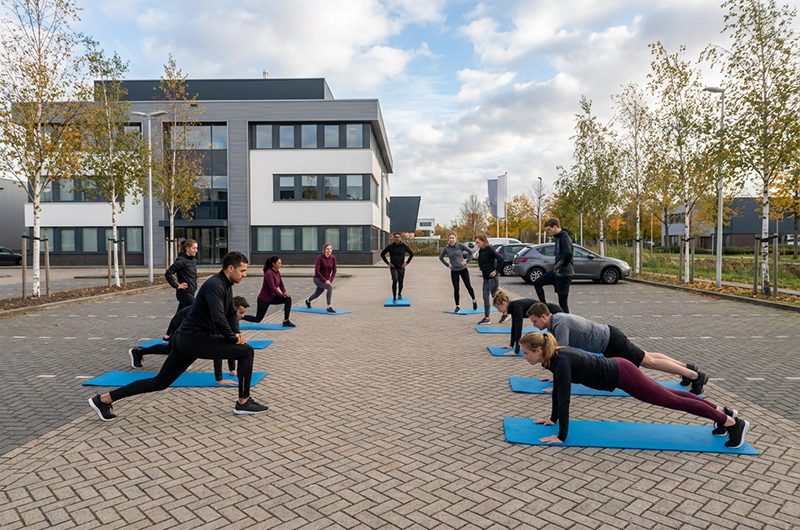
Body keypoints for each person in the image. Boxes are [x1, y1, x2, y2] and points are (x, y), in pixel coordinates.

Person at [88, 251, 269, 421]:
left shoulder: (226, 285)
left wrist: (237, 332)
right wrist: (233, 338)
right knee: (246, 352)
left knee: (160, 382)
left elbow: (230, 313)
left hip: (188, 340)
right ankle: (243, 402)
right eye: (242, 270)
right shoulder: (215, 285)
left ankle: (104, 400)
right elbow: (218, 316)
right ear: (231, 268)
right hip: (196, 340)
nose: (245, 274)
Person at [517, 331, 749, 448]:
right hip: (620, 369)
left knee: (670, 400)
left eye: (526, 352)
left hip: (622, 374)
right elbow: (558, 389)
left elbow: (564, 397)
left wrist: (561, 436)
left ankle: (732, 423)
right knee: (669, 395)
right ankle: (724, 412)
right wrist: (552, 418)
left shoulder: (561, 362)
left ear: (538, 350)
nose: (524, 356)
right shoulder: (554, 357)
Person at [527, 303, 709, 394]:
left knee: (649, 362)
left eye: (535, 321)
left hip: (611, 341)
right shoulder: (554, 323)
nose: (534, 325)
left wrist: (559, 382)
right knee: (648, 356)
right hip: (609, 339)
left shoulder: (560, 324)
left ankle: (696, 376)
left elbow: (561, 352)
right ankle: (688, 369)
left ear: (544, 316)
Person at [127, 297, 252, 387]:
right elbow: (218, 351)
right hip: (181, 323)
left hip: (188, 325)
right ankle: (139, 351)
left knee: (170, 350)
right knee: (170, 349)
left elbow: (230, 343)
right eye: (241, 313)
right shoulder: (219, 316)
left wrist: (232, 370)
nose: (242, 316)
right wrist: (219, 379)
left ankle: (139, 352)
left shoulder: (228, 316)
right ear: (233, 309)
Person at [492, 290, 562, 354]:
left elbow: (518, 328)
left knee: (556, 333)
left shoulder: (516, 306)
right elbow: (514, 327)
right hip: (552, 310)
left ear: (504, 303)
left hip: (554, 310)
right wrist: (511, 345)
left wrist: (516, 351)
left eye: (498, 308)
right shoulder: (513, 307)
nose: (499, 310)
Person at [533, 218, 573, 313]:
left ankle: (568, 323)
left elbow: (568, 253)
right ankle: (544, 307)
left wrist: (561, 266)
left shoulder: (564, 237)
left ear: (555, 227)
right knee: (537, 283)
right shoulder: (558, 237)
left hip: (565, 274)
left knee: (563, 303)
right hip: (557, 273)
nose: (548, 232)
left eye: (549, 230)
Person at [243, 256, 296, 327]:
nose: (281, 264)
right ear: (274, 264)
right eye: (279, 263)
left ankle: (286, 321)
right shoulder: (269, 273)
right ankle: (240, 317)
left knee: (288, 299)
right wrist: (281, 295)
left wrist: (284, 292)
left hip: (272, 297)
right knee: (258, 319)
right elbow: (272, 288)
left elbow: (281, 284)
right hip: (264, 299)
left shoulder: (277, 272)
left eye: (281, 263)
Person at [438, 232, 476, 312]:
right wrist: (448, 265)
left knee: (468, 286)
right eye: (450, 238)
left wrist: (467, 261)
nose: (451, 239)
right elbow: (441, 257)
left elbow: (471, 252)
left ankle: (474, 300)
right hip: (454, 271)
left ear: (456, 238)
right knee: (456, 288)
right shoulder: (446, 248)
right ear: (448, 239)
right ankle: (457, 306)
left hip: (463, 270)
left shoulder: (460, 246)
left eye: (453, 238)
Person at [474, 234, 504, 324]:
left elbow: (501, 259)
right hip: (486, 278)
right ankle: (487, 318)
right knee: (485, 297)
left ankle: (506, 313)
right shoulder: (481, 250)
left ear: (483, 241)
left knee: (496, 297)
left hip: (492, 278)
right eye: (476, 243)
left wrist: (496, 271)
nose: (477, 244)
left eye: (478, 242)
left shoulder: (489, 249)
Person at [165, 239, 199, 310]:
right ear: (187, 249)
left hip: (190, 292)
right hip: (184, 293)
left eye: (196, 248)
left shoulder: (192, 260)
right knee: (196, 311)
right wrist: (177, 285)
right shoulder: (181, 261)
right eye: (194, 248)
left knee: (181, 316)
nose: (196, 250)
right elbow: (168, 273)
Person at [380, 232, 414, 302]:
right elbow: (382, 254)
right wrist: (388, 263)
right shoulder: (390, 246)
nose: (397, 238)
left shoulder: (403, 246)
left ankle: (399, 294)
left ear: (400, 238)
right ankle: (394, 297)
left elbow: (411, 254)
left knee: (401, 282)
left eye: (398, 237)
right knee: (395, 280)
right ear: (394, 238)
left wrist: (407, 262)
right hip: (393, 267)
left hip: (401, 267)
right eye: (396, 237)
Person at [304, 243, 337, 313]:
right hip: (318, 279)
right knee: (329, 287)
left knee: (317, 294)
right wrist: (325, 281)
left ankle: (308, 300)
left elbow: (334, 271)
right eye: (328, 249)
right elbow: (317, 272)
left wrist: (330, 280)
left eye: (331, 249)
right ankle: (329, 306)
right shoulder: (320, 258)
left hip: (326, 280)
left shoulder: (333, 258)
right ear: (324, 250)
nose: (329, 250)